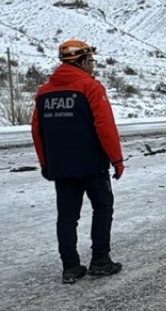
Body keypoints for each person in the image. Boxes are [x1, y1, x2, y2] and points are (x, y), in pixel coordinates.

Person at [32, 39, 125, 284]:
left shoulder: (44, 92)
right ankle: (100, 260)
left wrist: (45, 163)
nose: (93, 65)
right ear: (82, 61)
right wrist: (116, 159)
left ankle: (70, 266)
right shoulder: (90, 87)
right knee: (103, 208)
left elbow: (37, 131)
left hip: (61, 166)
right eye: (91, 61)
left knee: (67, 216)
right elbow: (105, 127)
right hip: (92, 163)